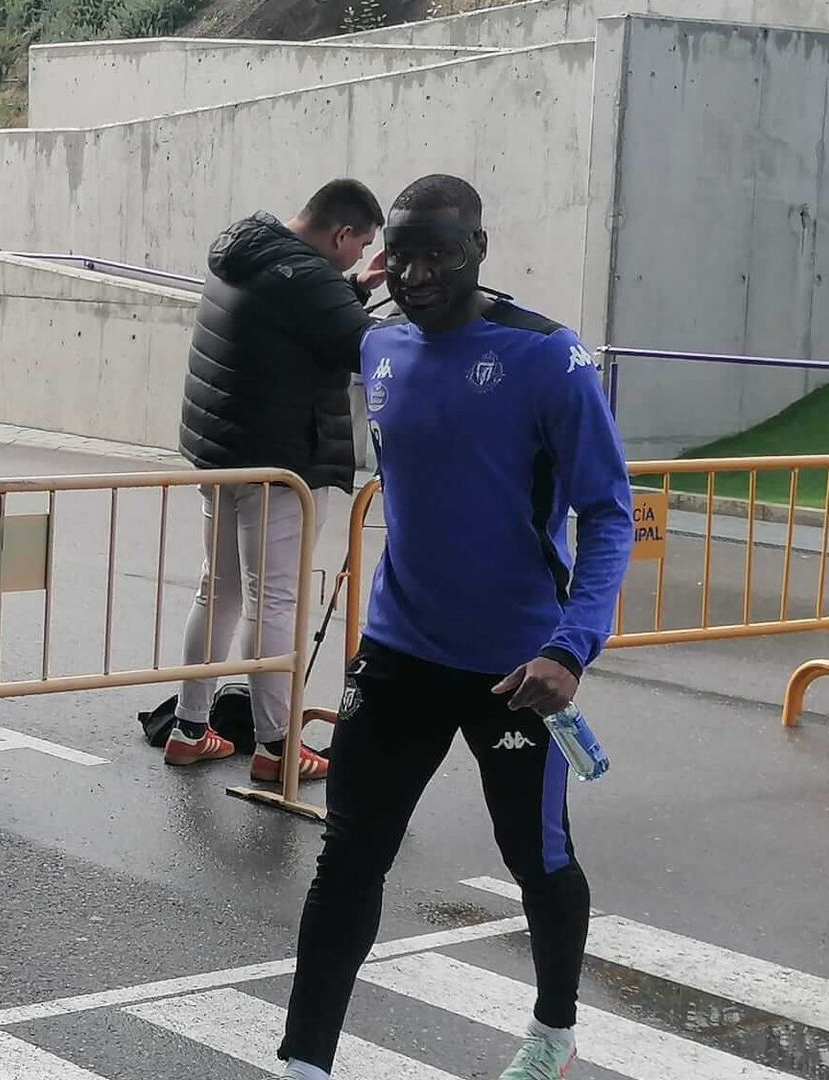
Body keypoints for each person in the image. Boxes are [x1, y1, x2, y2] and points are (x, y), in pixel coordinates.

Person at [276, 174, 632, 1080]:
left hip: (519, 668)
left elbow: (609, 513)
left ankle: (552, 1034)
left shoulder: (548, 358)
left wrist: (572, 646)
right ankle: (303, 1062)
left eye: (442, 254)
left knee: (537, 858)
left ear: (480, 248)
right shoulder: (380, 348)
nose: (421, 274)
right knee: (349, 857)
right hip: (399, 653)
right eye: (404, 256)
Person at [166, 179, 388, 782]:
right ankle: (277, 747)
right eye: (361, 244)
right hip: (281, 462)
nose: (359, 254)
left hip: (222, 452)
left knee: (221, 589)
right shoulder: (307, 279)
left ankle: (189, 729)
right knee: (275, 599)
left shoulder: (251, 249)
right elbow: (371, 350)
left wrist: (353, 290)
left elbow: (301, 321)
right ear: (341, 234)